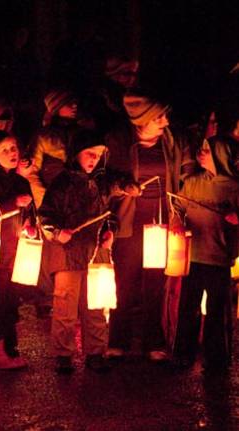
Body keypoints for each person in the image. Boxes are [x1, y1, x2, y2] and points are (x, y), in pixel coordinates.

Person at [105, 89, 196, 361]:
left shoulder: (175, 142)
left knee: (155, 283)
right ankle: (118, 339)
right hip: (128, 223)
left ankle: (153, 340)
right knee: (124, 282)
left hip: (162, 223)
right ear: (143, 120)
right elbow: (103, 178)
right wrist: (122, 186)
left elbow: (187, 178)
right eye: (160, 118)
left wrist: (181, 215)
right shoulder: (118, 141)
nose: (166, 122)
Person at [40, 130, 137, 374]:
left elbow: (110, 210)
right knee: (65, 306)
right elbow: (45, 215)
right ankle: (63, 354)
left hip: (96, 253)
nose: (94, 159)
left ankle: (96, 352)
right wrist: (56, 231)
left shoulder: (103, 182)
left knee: (96, 304)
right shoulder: (62, 183)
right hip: (68, 253)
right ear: (77, 154)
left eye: (98, 155)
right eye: (89, 154)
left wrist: (110, 230)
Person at [170, 138, 238, 372]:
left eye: (207, 150)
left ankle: (217, 358)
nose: (201, 152)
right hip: (193, 257)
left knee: (217, 311)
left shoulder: (233, 187)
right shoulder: (192, 182)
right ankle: (183, 354)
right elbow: (177, 206)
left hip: (218, 257)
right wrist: (177, 221)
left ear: (221, 155)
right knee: (188, 308)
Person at [0, 131, 33, 369]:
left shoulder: (21, 181)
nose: (12, 153)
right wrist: (14, 204)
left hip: (17, 251)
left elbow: (30, 212)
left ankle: (10, 348)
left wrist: (30, 224)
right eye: (5, 150)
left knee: (12, 299)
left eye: (13, 148)